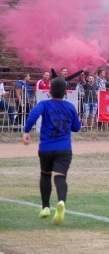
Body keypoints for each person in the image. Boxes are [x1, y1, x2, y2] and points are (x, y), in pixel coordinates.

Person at [23, 77, 81, 226]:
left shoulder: (44, 104)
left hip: (46, 148)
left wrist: (26, 131)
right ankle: (61, 201)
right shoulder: (70, 107)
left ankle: (45, 208)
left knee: (45, 175)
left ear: (50, 91)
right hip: (64, 148)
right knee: (60, 177)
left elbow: (34, 114)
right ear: (65, 92)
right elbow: (77, 127)